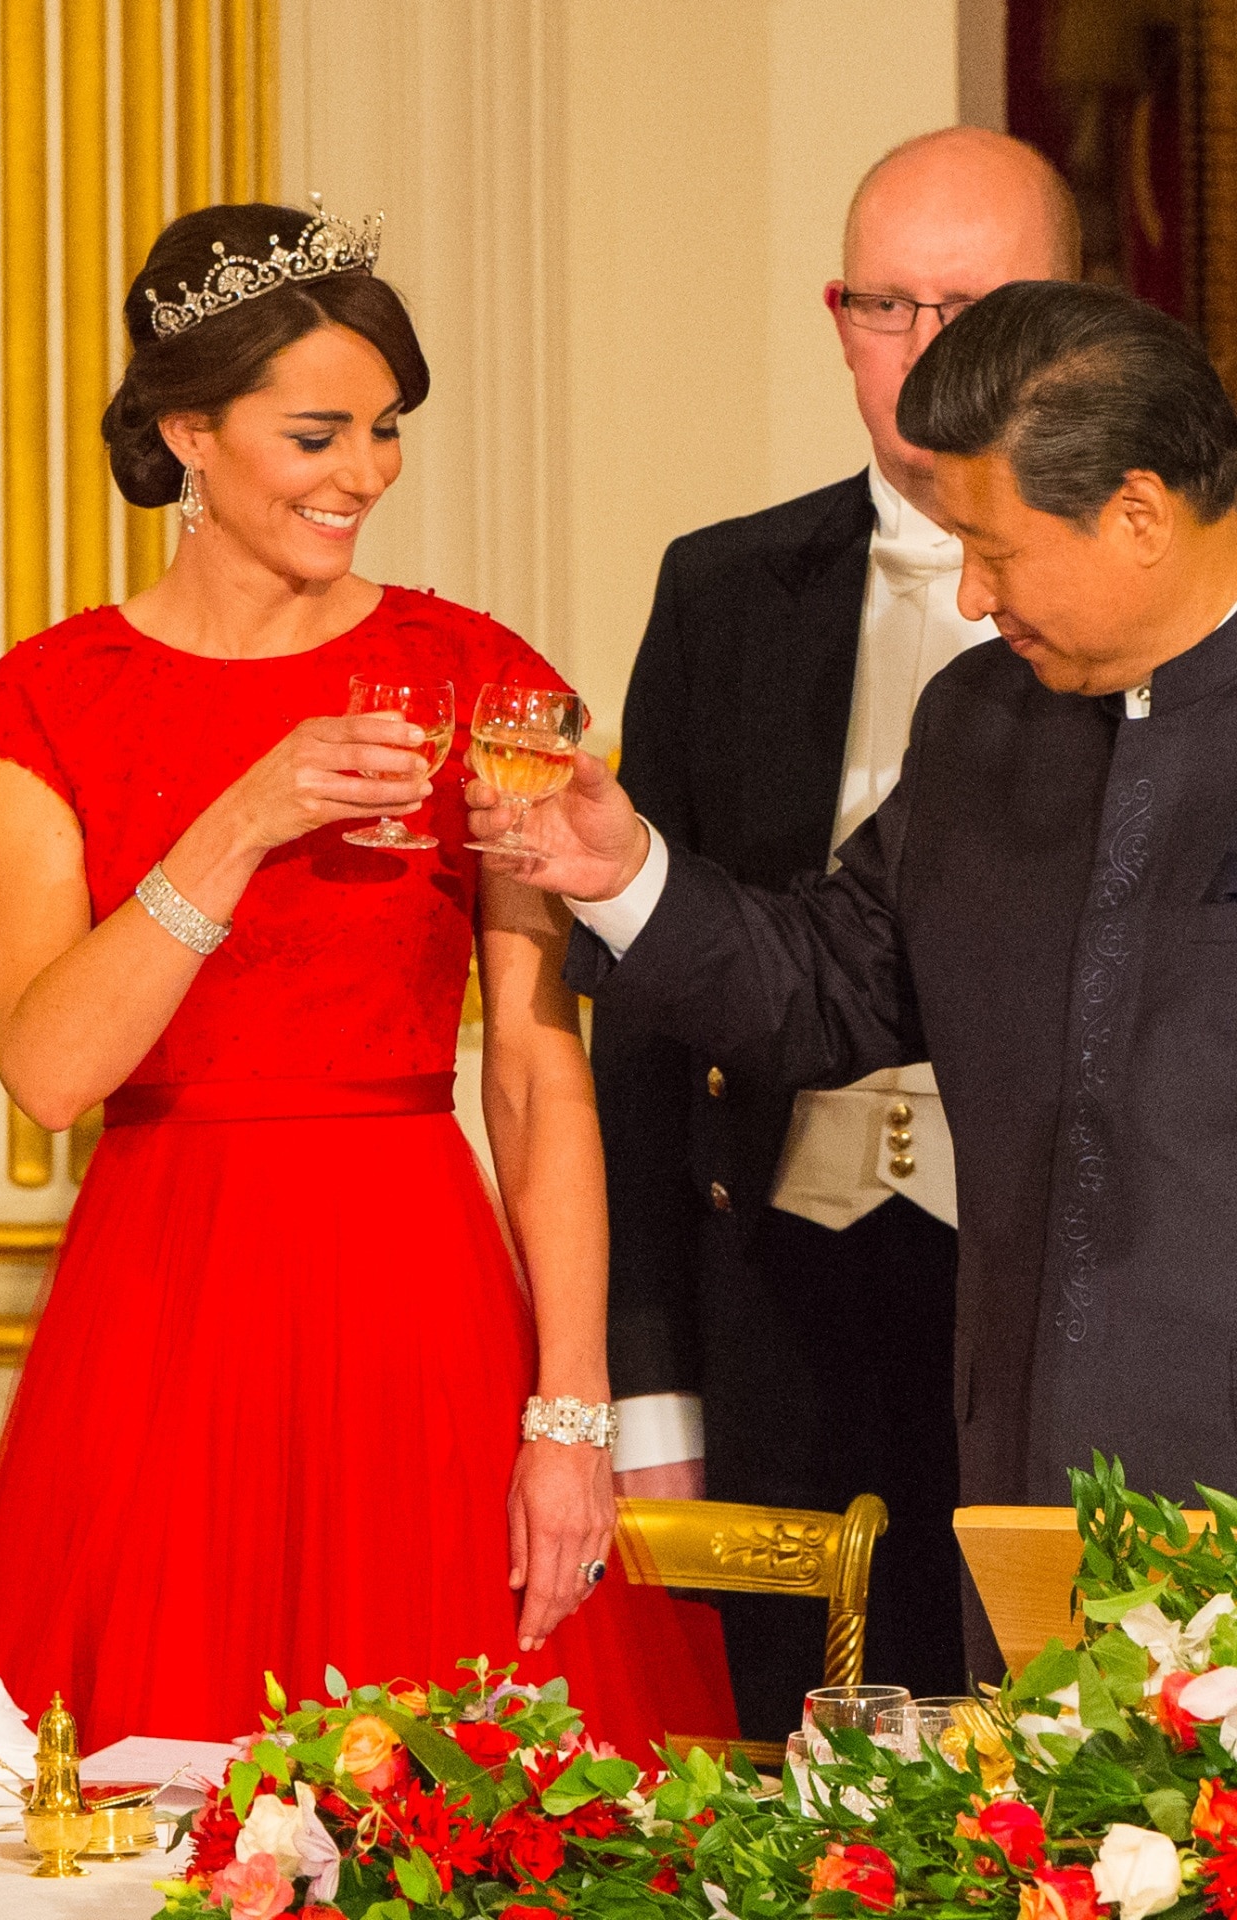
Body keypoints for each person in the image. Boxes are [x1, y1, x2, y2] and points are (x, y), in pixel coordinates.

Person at [0, 200, 735, 1756]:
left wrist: (569, 1412)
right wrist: (244, 817)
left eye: (384, 431)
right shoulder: (46, 701)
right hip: (160, 1308)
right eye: (317, 434)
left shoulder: (476, 678)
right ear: (188, 429)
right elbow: (47, 1072)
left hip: (416, 1302)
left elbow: (532, 1064)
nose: (364, 475)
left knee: (465, 1789)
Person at [465, 278, 1237, 1586]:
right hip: (1031, 1485)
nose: (976, 598)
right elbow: (831, 982)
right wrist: (622, 870)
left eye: (994, 550)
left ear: (1139, 513)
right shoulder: (978, 723)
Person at [598, 128, 1081, 1730]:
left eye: (978, 302)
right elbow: (654, 1015)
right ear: (836, 316)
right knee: (783, 1781)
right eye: (891, 306)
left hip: (1047, 1304)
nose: (930, 350)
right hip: (780, 1292)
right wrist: (644, 1367)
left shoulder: (1145, 622)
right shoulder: (723, 588)